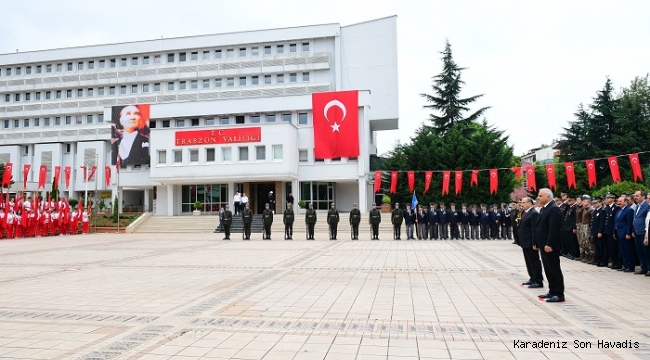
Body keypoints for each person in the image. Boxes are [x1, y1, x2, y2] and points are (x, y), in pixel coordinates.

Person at [535, 188, 565, 303]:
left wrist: (549, 243)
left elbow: (554, 229)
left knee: (554, 269)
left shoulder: (553, 209)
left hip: (550, 245)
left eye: (540, 195)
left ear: (548, 197)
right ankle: (552, 291)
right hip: (544, 244)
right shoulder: (544, 209)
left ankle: (558, 293)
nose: (538, 197)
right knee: (548, 269)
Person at [518, 197, 543, 288]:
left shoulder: (533, 213)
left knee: (534, 261)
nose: (522, 204)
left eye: (524, 202)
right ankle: (532, 278)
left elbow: (534, 229)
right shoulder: (525, 212)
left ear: (529, 203)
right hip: (525, 241)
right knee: (528, 261)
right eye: (521, 202)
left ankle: (538, 280)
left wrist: (534, 243)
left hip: (530, 242)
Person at [614, 195, 635, 272]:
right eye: (618, 201)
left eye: (620, 201)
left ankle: (630, 266)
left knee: (628, 250)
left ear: (626, 202)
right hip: (619, 233)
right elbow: (616, 222)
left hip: (625, 233)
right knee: (623, 250)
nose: (618, 203)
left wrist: (628, 233)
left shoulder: (629, 210)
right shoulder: (619, 210)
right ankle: (625, 265)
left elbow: (630, 223)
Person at [600, 193, 620, 269]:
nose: (606, 199)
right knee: (609, 248)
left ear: (613, 198)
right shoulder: (607, 208)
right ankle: (613, 262)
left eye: (608, 198)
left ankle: (617, 263)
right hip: (607, 231)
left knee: (614, 247)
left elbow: (614, 221)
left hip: (612, 231)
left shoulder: (616, 208)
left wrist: (613, 231)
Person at [632, 191, 649, 274]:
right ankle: (644, 267)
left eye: (637, 196)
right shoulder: (637, 206)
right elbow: (635, 219)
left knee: (646, 251)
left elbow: (647, 220)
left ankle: (649, 268)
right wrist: (633, 230)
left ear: (643, 196)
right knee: (640, 251)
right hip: (637, 231)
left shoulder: (647, 206)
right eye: (634, 196)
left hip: (643, 231)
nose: (635, 197)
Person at [591, 197, 606, 266]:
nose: (594, 204)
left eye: (596, 203)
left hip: (599, 232)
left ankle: (603, 260)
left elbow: (602, 223)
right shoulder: (595, 211)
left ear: (600, 203)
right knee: (597, 247)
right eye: (593, 203)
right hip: (595, 232)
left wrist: (600, 232)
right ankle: (599, 260)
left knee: (601, 247)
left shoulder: (602, 211)